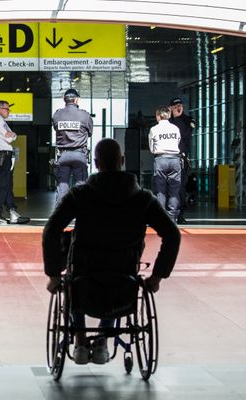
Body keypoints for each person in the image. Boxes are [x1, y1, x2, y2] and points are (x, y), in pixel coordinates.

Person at [43, 138, 181, 365]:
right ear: (123, 161)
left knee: (71, 278)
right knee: (118, 277)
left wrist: (53, 274)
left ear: (96, 164)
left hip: (84, 278)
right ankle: (102, 341)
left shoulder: (80, 195)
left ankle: (79, 340)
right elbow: (172, 235)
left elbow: (51, 230)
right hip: (123, 279)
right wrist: (157, 277)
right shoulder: (144, 199)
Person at [0, 100, 29, 225]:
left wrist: (12, 135)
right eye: (7, 109)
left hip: (5, 156)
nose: (8, 111)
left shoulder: (1, 121)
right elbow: (10, 138)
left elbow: (13, 136)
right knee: (2, 185)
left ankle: (12, 212)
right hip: (2, 156)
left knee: (7, 185)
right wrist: (11, 135)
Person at [52, 88, 93, 203]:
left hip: (63, 155)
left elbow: (56, 128)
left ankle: (60, 216)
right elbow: (89, 133)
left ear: (64, 99)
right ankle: (82, 215)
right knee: (81, 186)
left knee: (62, 187)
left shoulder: (57, 115)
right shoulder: (84, 116)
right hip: (79, 154)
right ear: (76, 100)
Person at [149, 105, 182, 222]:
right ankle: (172, 216)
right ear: (168, 115)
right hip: (175, 159)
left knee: (160, 189)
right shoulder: (175, 128)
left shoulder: (154, 129)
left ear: (158, 116)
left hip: (161, 159)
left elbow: (152, 148)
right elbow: (178, 141)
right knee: (174, 190)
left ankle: (160, 216)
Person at [169, 97, 196, 224]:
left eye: (180, 105)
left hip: (182, 157)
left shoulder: (188, 120)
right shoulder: (168, 121)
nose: (178, 108)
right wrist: (172, 117)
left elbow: (184, 134)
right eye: (175, 106)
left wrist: (178, 118)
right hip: (169, 157)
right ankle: (169, 212)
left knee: (181, 187)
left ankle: (180, 213)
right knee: (167, 186)